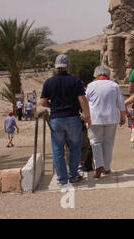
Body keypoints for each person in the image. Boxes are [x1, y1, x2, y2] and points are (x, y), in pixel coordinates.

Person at [40, 54, 91, 186]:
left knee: (58, 149)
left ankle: (62, 179)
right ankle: (73, 175)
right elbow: (82, 99)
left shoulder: (48, 82)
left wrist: (54, 106)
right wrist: (87, 116)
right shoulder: (75, 81)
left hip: (56, 118)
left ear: (56, 66)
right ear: (68, 66)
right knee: (75, 147)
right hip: (73, 117)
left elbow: (43, 102)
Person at [85, 65, 127, 178]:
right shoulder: (114, 85)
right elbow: (121, 103)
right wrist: (123, 116)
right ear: (107, 74)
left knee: (96, 142)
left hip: (95, 118)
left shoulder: (91, 85)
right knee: (108, 142)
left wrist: (85, 116)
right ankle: (107, 167)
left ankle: (99, 165)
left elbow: (85, 101)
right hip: (111, 118)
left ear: (96, 74)